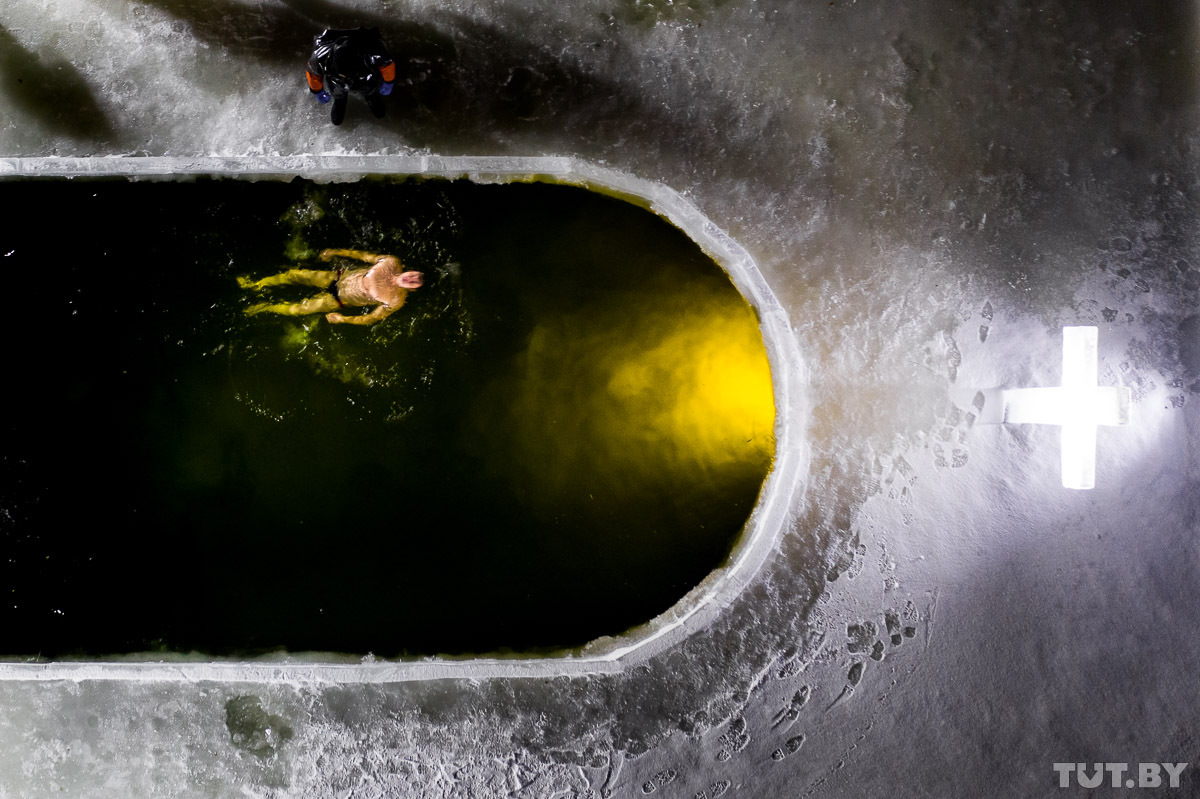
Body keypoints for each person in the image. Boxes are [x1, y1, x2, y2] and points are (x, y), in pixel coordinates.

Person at [240, 249, 424, 326]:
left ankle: (264, 308)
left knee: (297, 309)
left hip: (338, 300)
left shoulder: (396, 300)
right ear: (411, 270)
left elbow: (370, 318)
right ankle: (257, 284)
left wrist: (343, 319)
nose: (411, 279)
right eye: (414, 274)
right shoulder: (391, 262)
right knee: (294, 274)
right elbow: (363, 256)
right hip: (337, 277)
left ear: (413, 289)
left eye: (415, 282)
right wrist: (335, 252)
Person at [305, 27, 396, 126]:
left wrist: (388, 81)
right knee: (337, 90)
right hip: (336, 81)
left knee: (368, 88)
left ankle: (370, 96)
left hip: (365, 78)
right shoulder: (319, 58)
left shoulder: (375, 52)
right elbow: (313, 74)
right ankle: (340, 100)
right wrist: (317, 90)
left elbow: (387, 65)